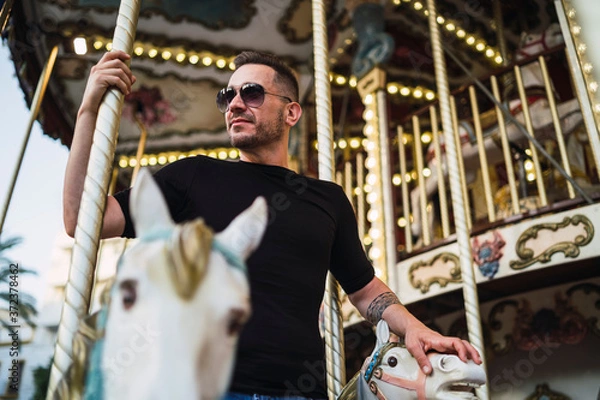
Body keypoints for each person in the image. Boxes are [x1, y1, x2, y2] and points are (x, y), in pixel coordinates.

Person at [63, 49, 482, 399]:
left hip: (300, 391)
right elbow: (83, 220)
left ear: (292, 112)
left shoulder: (328, 200)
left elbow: (365, 290)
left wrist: (416, 329)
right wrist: (88, 111)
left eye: (252, 92)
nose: (235, 103)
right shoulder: (193, 177)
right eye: (228, 94)